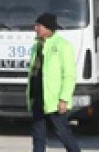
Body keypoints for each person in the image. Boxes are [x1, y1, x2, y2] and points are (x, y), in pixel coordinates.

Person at [26, 12, 81, 152]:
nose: (35, 28)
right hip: (38, 98)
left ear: (48, 27)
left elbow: (69, 75)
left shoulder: (63, 45)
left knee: (63, 133)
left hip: (54, 101)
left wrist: (64, 99)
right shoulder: (37, 46)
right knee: (38, 136)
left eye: (38, 25)